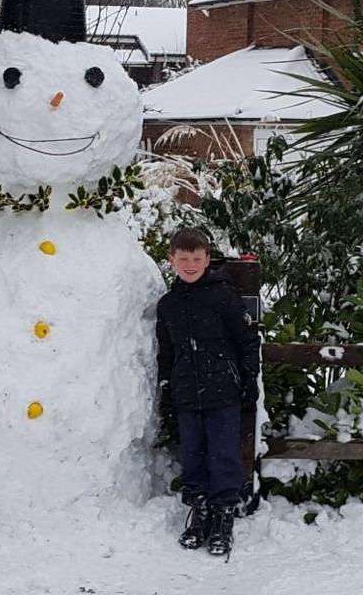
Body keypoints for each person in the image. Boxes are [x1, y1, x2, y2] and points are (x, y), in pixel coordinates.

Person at [156, 228, 260, 557]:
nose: (190, 265)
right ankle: (199, 514)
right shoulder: (168, 305)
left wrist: (249, 380)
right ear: (171, 260)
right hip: (188, 393)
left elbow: (247, 340)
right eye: (183, 259)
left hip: (223, 391)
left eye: (196, 259)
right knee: (193, 456)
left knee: (224, 455)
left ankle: (223, 517)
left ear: (207, 259)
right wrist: (167, 390)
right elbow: (166, 353)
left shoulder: (222, 296)